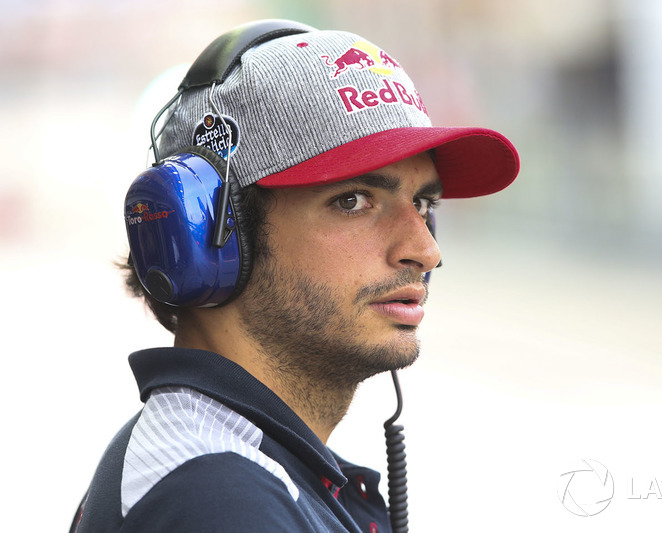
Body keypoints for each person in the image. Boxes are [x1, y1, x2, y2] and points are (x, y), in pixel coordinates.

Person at [71, 19, 519, 533]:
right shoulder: (219, 501)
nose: (426, 250)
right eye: (353, 201)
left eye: (423, 203)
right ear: (205, 236)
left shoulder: (239, 467)